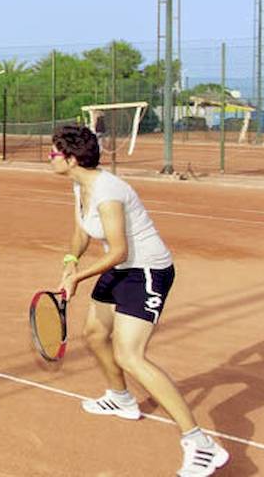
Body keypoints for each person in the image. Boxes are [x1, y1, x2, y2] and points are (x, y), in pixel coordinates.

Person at [49, 125, 228, 477]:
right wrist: (71, 262)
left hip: (145, 271)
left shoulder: (107, 191)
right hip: (122, 268)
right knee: (95, 334)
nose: (50, 158)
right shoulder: (79, 185)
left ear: (71, 158)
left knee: (129, 355)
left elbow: (118, 250)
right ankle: (122, 398)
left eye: (54, 153)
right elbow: (82, 231)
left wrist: (78, 278)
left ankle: (200, 444)